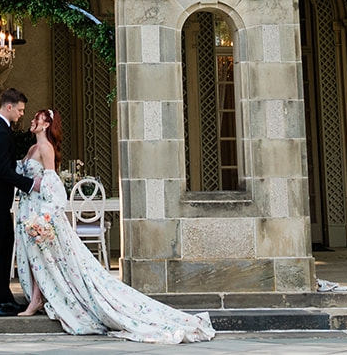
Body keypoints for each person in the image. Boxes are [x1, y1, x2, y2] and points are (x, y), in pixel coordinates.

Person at [13, 109, 215, 344]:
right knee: (38, 256)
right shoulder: (32, 149)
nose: (32, 121)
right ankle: (39, 297)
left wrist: (44, 212)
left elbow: (52, 184)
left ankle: (37, 300)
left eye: (36, 118)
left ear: (46, 124)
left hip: (41, 211)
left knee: (45, 255)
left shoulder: (45, 148)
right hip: (28, 208)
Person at [0, 86, 41, 316]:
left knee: (4, 247)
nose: (22, 114)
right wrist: (31, 184)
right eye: (20, 110)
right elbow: (3, 171)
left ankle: (3, 296)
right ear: (9, 107)